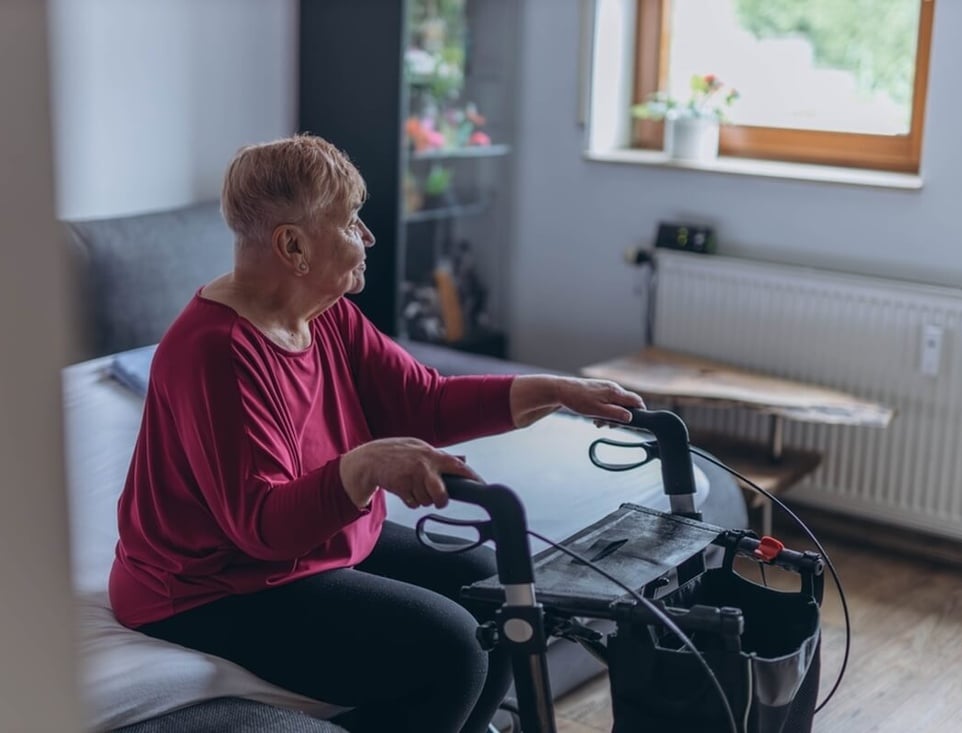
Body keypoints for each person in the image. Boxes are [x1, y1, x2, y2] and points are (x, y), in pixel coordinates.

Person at [109, 134, 645, 733]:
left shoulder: (325, 312)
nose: (367, 237)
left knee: (501, 598)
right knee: (456, 650)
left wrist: (554, 389)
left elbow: (423, 400)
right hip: (210, 585)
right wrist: (364, 467)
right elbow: (261, 528)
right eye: (350, 222)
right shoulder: (217, 352)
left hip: (307, 546)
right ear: (293, 246)